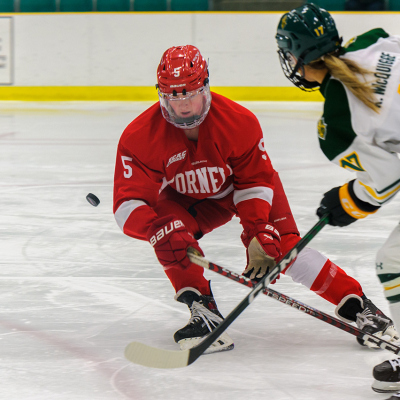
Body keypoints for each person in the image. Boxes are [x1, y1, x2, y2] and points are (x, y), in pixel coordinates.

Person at [113, 44, 397, 358]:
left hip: (244, 190)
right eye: (173, 98)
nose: (182, 107)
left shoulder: (238, 121)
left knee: (284, 247)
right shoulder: (139, 136)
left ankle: (361, 307)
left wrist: (259, 230)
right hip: (191, 203)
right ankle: (203, 312)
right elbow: (127, 204)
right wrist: (156, 229)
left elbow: (253, 183)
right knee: (168, 231)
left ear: (206, 87)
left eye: (190, 95)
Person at [275, 3, 400, 398]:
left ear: (302, 57)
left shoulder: (337, 123)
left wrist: (344, 202)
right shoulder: (373, 40)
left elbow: (387, 179)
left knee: (393, 260)